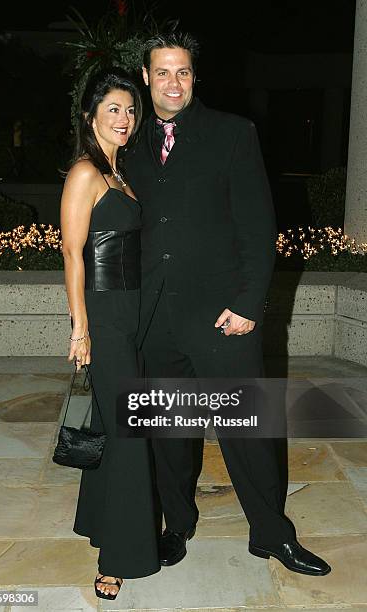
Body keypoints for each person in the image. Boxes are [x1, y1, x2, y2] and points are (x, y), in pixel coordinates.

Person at [124, 32, 331, 576]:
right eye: (163, 72)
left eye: (184, 72)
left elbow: (260, 228)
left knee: (250, 432)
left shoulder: (232, 134)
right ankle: (177, 525)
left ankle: (272, 533)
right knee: (169, 435)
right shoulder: (128, 143)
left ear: (195, 77)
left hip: (222, 318)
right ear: (146, 78)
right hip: (154, 320)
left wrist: (247, 303)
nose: (174, 82)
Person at [60, 68, 160, 601]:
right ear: (89, 114)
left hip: (132, 310)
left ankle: (98, 520)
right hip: (104, 311)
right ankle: (118, 556)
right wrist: (81, 327)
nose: (124, 119)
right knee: (127, 432)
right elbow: (72, 253)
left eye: (129, 109)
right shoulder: (86, 173)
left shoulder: (120, 172)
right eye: (113, 109)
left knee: (111, 418)